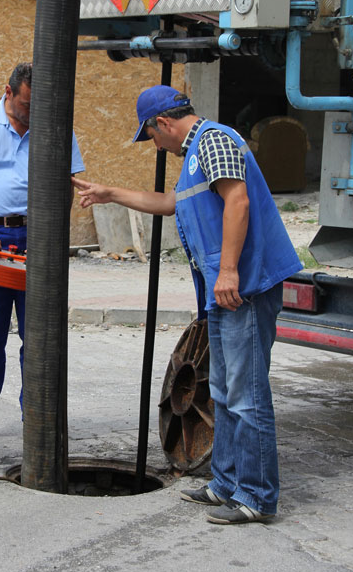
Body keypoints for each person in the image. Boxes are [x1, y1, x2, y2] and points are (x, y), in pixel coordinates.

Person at [73, 85, 300, 525]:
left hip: (244, 288)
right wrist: (111, 193)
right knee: (223, 392)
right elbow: (170, 204)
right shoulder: (196, 156)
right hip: (224, 290)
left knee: (245, 394)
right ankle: (226, 484)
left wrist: (230, 270)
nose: (156, 146)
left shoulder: (215, 140)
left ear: (163, 123)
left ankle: (256, 496)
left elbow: (238, 199)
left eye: (152, 137)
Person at [0, 61, 85, 446]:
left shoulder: (54, 124)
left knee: (38, 334)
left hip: (38, 239)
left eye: (38, 106)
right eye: (26, 105)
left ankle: (37, 413)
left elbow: (69, 182)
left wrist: (55, 235)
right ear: (8, 93)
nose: (32, 114)